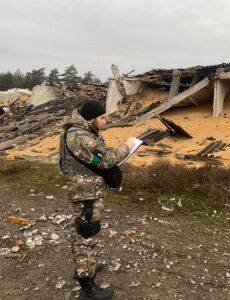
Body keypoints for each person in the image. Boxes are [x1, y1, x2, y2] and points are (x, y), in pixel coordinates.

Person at [59, 100, 136, 299]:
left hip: (88, 191)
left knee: (87, 233)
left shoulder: (82, 133)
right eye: (101, 118)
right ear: (91, 118)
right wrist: (127, 146)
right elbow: (106, 159)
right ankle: (87, 284)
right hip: (86, 194)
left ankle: (85, 268)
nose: (104, 121)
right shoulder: (80, 137)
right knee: (86, 234)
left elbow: (97, 160)